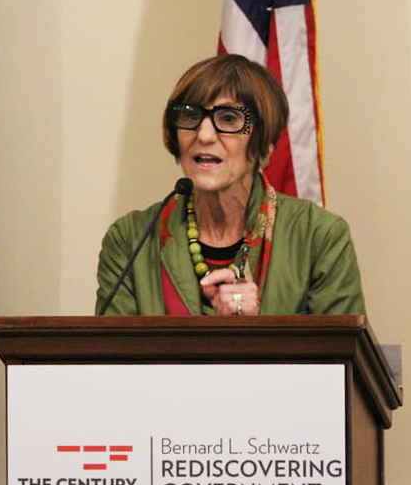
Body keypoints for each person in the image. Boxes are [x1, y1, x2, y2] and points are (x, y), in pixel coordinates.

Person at [96, 54, 365, 316]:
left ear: (263, 139)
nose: (203, 134)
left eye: (228, 119)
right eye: (190, 116)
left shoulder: (319, 237)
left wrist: (255, 333)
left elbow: (338, 357)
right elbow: (112, 356)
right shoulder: (130, 240)